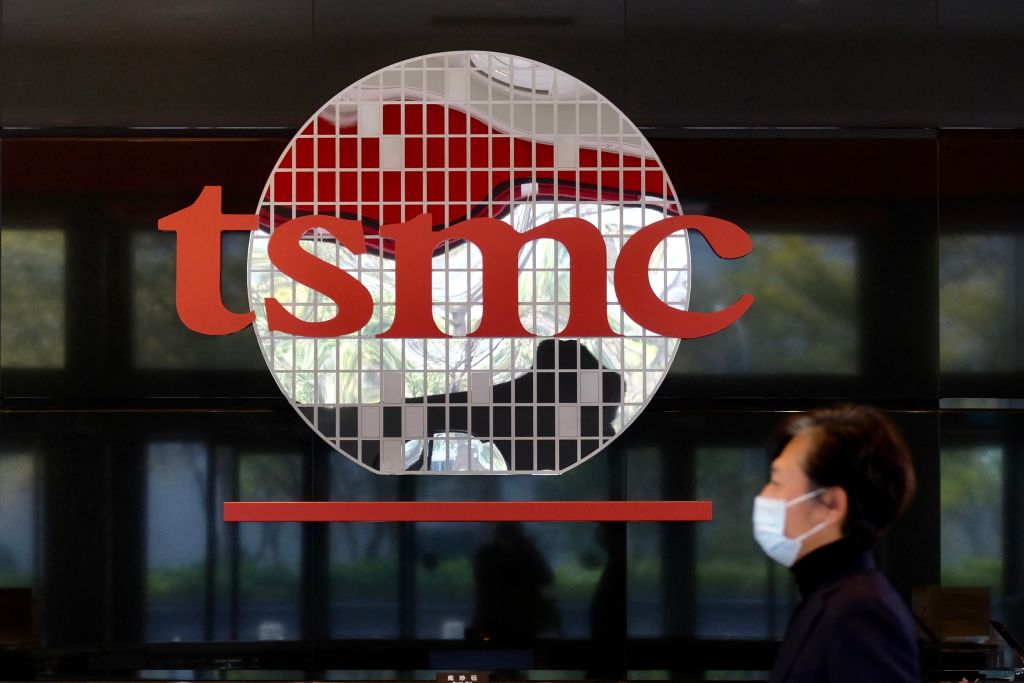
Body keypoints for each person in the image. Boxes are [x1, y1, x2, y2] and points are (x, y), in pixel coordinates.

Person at [754, 404, 920, 683]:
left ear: (832, 504)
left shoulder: (861, 612)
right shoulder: (828, 596)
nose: (764, 495)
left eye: (776, 481)